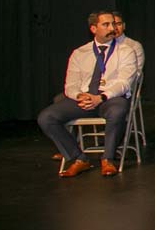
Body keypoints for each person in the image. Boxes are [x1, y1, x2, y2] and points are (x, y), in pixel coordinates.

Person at [37, 11, 138, 178]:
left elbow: (124, 83)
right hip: (85, 99)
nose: (112, 28)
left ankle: (108, 159)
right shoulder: (80, 53)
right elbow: (70, 85)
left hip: (110, 99)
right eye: (106, 25)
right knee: (46, 117)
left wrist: (101, 97)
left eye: (113, 24)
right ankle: (78, 158)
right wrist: (79, 96)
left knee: (118, 110)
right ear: (93, 28)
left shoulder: (126, 51)